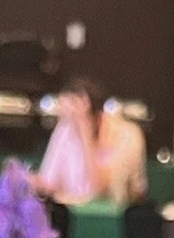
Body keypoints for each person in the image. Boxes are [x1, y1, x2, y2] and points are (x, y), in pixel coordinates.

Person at [35, 79, 147, 207]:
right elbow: (49, 183)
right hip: (71, 214)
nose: (67, 122)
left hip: (110, 218)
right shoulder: (65, 127)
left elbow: (100, 190)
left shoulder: (126, 135)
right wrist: (25, 180)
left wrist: (85, 133)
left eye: (73, 114)